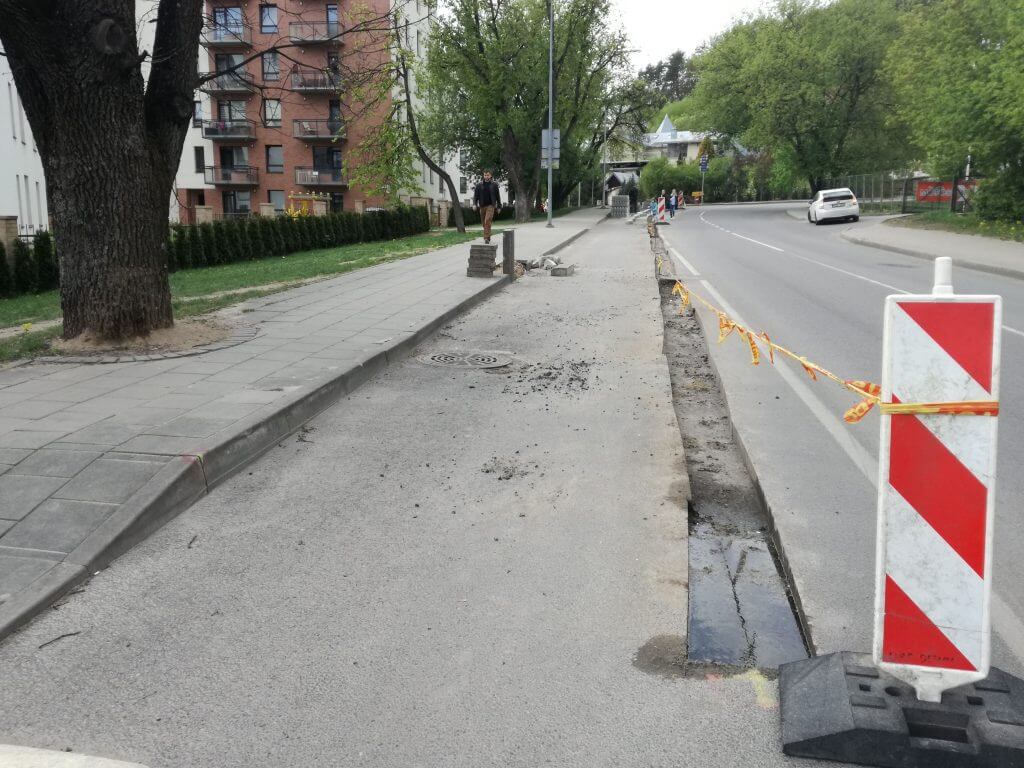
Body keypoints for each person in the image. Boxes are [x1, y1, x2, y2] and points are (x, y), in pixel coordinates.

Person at [473, 171, 502, 244]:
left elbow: (498, 196)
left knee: (487, 220)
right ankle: (488, 237)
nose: (486, 176)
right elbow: (475, 196)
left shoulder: (494, 185)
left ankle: (486, 238)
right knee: (484, 223)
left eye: (488, 175)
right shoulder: (479, 185)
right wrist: (474, 204)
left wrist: (499, 206)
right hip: (482, 206)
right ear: (483, 175)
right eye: (485, 175)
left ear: (490, 175)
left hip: (491, 206)